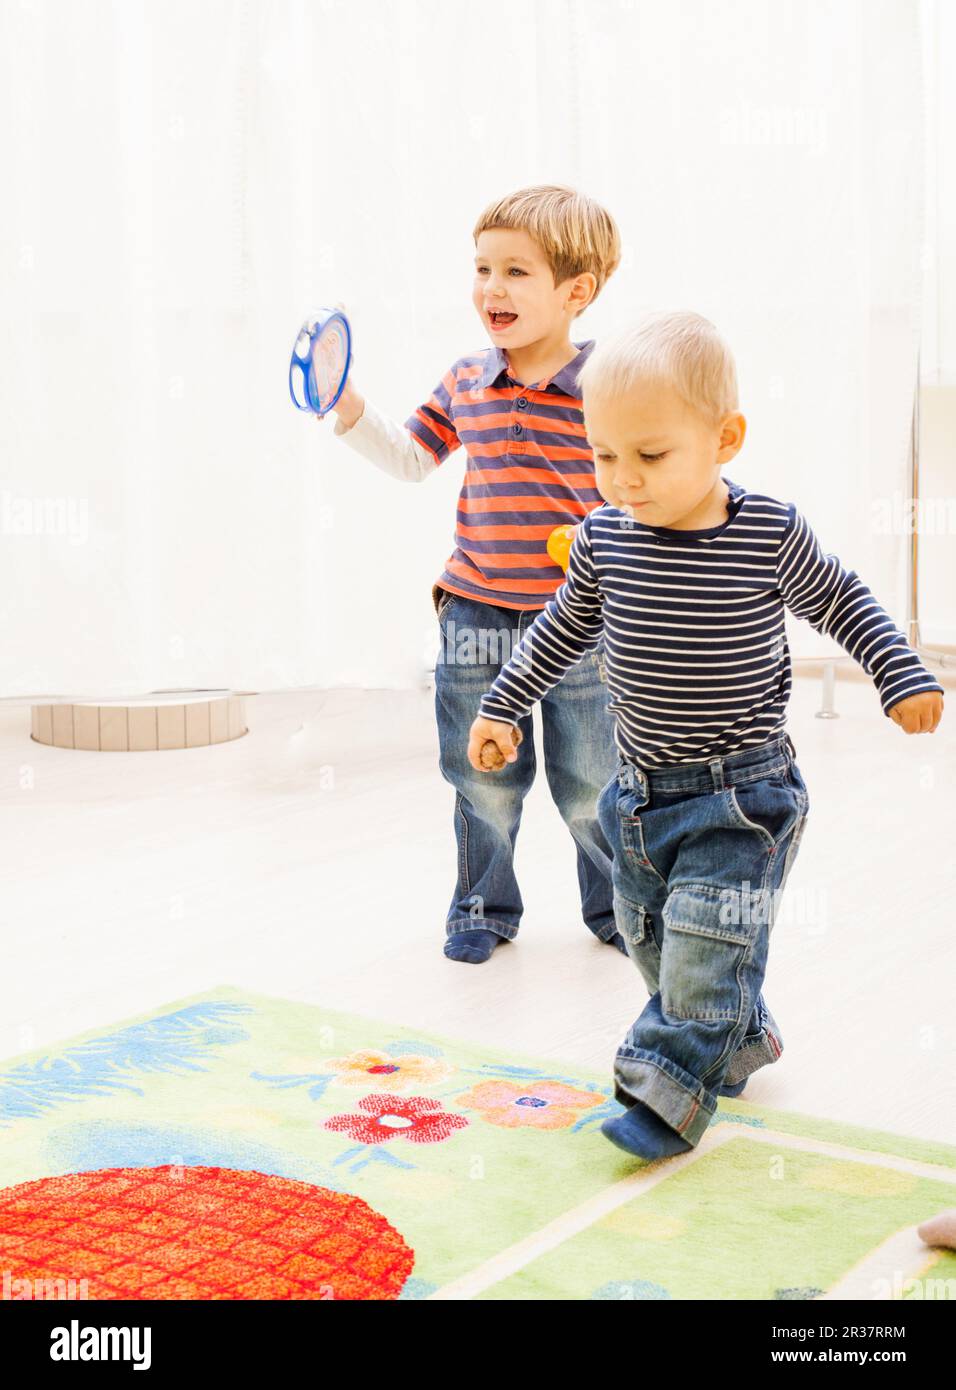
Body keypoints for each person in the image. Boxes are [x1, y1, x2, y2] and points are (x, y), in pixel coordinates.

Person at [468, 310, 945, 1159]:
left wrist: (898, 671)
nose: (624, 479)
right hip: (640, 797)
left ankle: (665, 1098)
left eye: (651, 456)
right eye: (604, 455)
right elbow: (557, 631)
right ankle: (737, 1036)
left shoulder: (766, 533)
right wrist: (504, 705)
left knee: (704, 949)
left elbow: (843, 599)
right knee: (654, 941)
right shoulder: (603, 540)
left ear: (724, 438)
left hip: (744, 795)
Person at [327, 185, 626, 963]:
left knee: (592, 779)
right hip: (477, 613)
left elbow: (639, 489)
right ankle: (482, 904)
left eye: (516, 272)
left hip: (580, 622)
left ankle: (616, 909)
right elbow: (413, 457)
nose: (491, 287)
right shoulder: (466, 380)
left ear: (576, 292)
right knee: (481, 774)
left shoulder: (610, 388)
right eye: (483, 268)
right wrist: (351, 406)